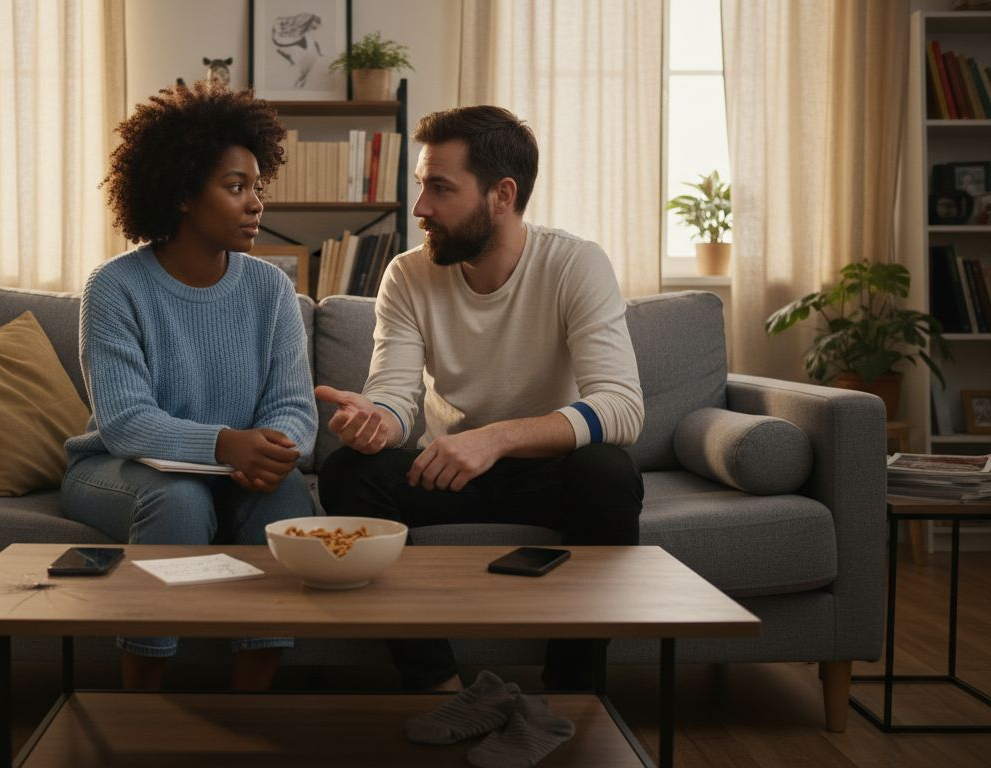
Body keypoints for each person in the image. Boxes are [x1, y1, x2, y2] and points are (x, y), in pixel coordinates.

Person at [315, 105, 645, 693]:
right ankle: (440, 688)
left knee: (608, 472)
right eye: (421, 185)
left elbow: (621, 405)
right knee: (347, 473)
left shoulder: (574, 263)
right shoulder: (407, 275)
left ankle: (571, 694)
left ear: (502, 195)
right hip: (448, 473)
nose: (420, 208)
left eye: (440, 188)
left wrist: (496, 438)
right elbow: (394, 398)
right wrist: (376, 422)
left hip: (548, 470)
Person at [62, 81, 318, 691]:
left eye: (257, 187)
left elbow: (293, 404)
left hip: (238, 470)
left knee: (286, 496)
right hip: (118, 468)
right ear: (181, 193)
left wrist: (274, 450)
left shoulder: (271, 289)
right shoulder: (115, 287)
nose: (256, 204)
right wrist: (226, 444)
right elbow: (125, 421)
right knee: (179, 500)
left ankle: (249, 702)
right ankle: (142, 705)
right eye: (236, 187)